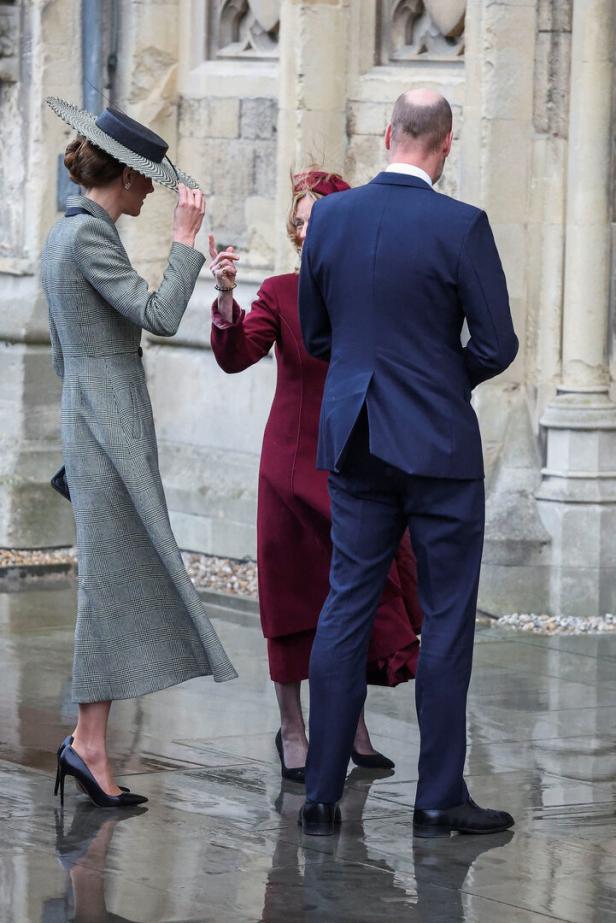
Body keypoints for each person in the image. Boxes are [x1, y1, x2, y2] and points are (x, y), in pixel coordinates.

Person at [298, 89, 519, 836]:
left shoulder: (329, 216)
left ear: (387, 134)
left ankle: (321, 793)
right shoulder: (462, 226)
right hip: (438, 446)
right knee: (447, 616)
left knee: (346, 603)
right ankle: (437, 796)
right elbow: (497, 345)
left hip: (356, 435)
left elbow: (318, 334)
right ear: (447, 144)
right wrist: (433, 381)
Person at [41, 98, 236, 808]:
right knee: (110, 581)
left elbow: (70, 353)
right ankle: (87, 743)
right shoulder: (85, 238)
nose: (154, 190)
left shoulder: (75, 233)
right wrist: (186, 242)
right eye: (146, 178)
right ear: (121, 176)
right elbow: (155, 315)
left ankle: (87, 740)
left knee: (115, 579)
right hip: (108, 429)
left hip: (98, 422)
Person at [209, 170, 422, 781]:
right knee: (291, 595)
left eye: (315, 216)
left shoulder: (370, 294)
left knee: (356, 594)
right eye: (298, 218)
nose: (303, 227)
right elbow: (235, 356)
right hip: (289, 464)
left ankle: (350, 722)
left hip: (356, 463)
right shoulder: (278, 291)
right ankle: (294, 728)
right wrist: (225, 297)